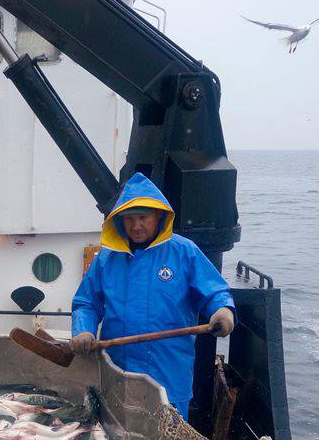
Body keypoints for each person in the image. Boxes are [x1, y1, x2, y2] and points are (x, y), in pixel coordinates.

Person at [71, 172, 235, 418]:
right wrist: (83, 330)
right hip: (118, 369)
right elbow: (86, 302)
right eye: (129, 219)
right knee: (117, 432)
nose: (136, 226)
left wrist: (223, 310)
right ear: (119, 220)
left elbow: (214, 292)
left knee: (169, 438)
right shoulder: (106, 259)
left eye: (143, 217)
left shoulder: (184, 251)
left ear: (158, 216)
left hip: (169, 370)